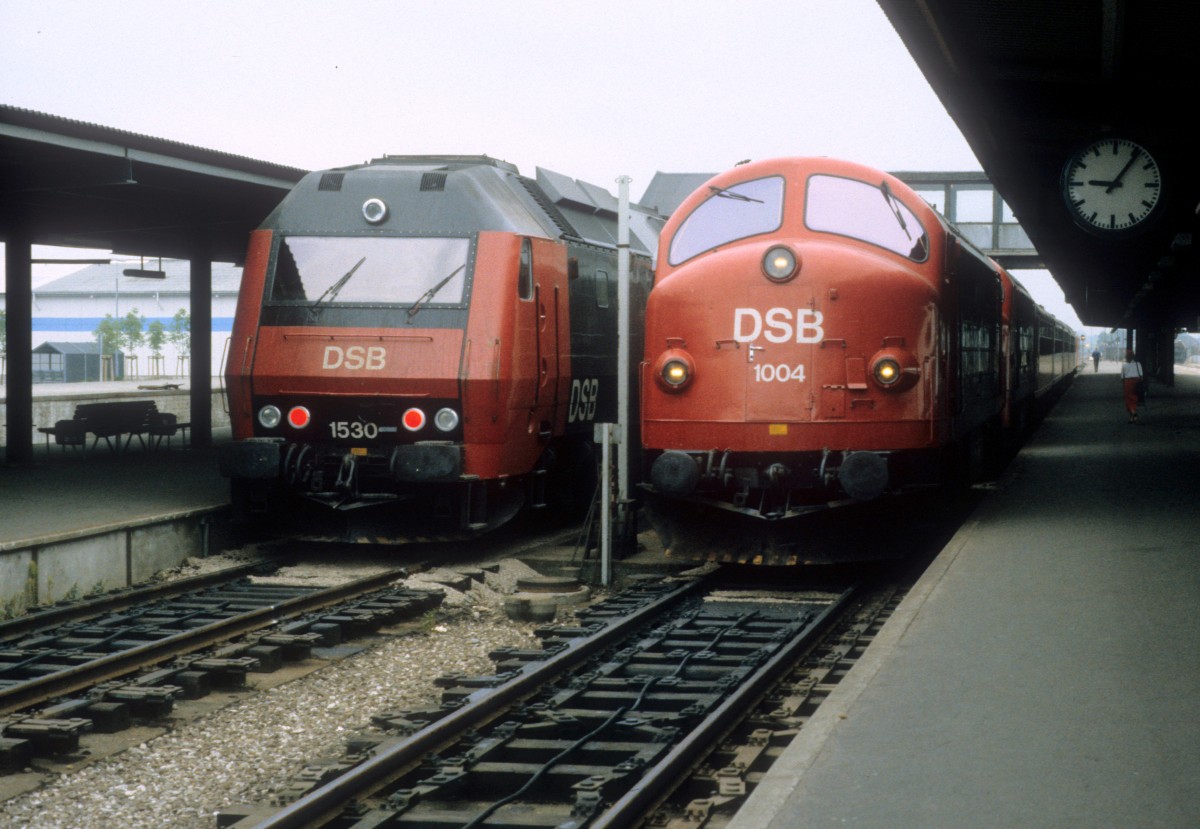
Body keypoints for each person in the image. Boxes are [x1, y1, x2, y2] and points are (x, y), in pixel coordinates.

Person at [1120, 349, 1143, 423]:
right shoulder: (1138, 364)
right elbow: (1141, 375)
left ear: (1126, 357)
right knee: (1134, 398)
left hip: (1128, 382)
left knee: (1128, 399)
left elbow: (1122, 377)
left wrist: (1123, 384)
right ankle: (1132, 418)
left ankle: (1133, 413)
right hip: (1137, 381)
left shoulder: (1124, 365)